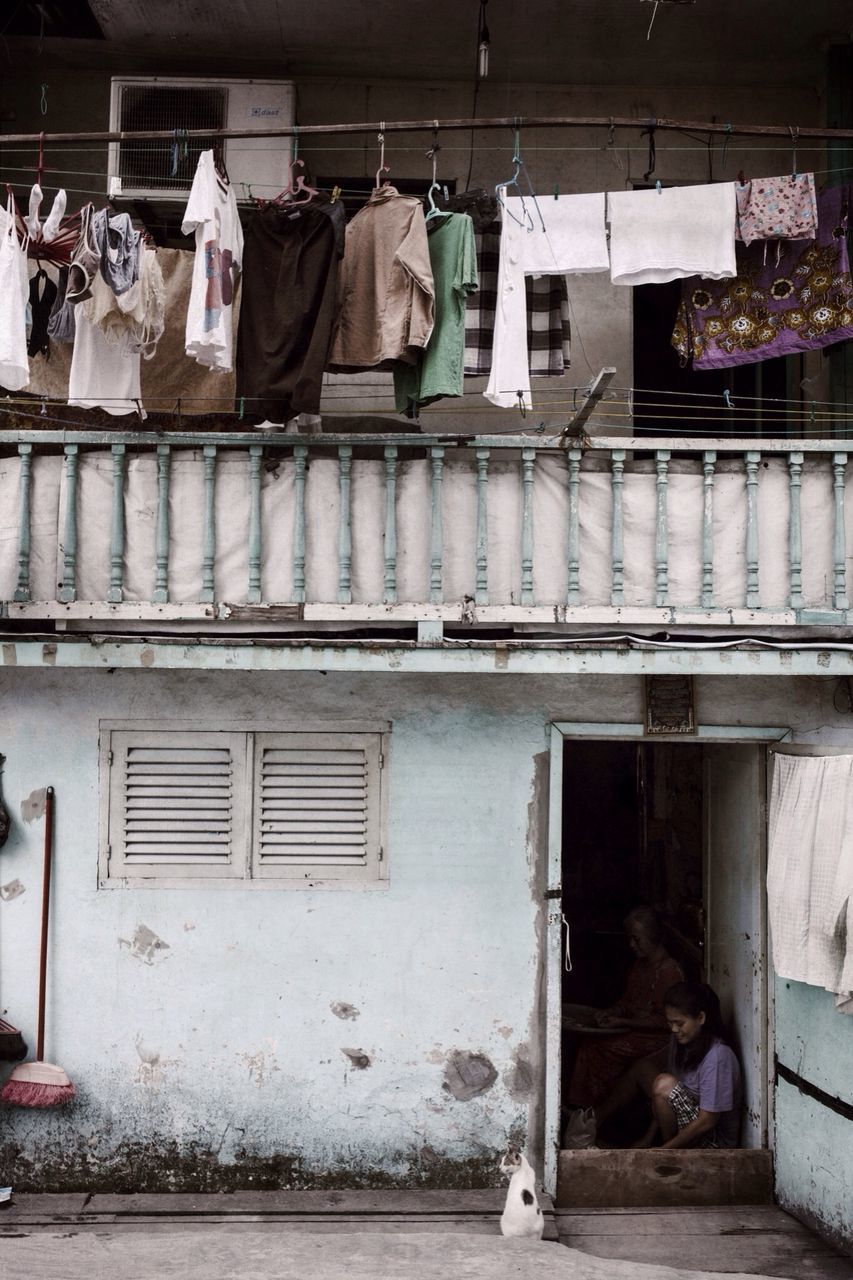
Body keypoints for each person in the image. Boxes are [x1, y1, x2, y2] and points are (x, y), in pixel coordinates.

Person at [595, 980, 742, 1148]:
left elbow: (707, 1121)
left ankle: (672, 1153)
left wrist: (665, 1151)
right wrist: (648, 1139)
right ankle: (596, 1119)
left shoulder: (718, 1056)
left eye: (679, 1023)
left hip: (714, 1143)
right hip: (688, 1125)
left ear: (701, 1018)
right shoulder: (681, 1042)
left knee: (664, 1084)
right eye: (670, 1023)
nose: (673, 1029)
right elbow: (666, 1100)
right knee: (644, 1069)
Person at [566, 907, 684, 1109]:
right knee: (588, 1041)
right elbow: (628, 1001)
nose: (631, 945)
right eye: (630, 938)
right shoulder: (640, 965)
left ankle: (595, 1111)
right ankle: (585, 1110)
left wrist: (623, 1022)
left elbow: (665, 1022)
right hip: (634, 1030)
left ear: (653, 936)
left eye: (636, 939)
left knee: (595, 1049)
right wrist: (612, 1012)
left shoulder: (669, 972)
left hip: (659, 1039)